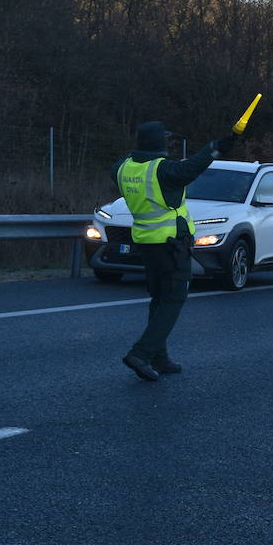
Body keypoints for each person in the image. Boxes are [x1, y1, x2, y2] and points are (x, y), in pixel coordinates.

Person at [115, 120, 237, 381]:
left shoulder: (123, 168)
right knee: (173, 298)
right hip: (171, 243)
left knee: (159, 298)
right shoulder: (163, 171)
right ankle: (142, 353)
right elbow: (191, 168)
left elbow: (130, 164)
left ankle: (159, 356)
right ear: (158, 143)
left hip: (146, 242)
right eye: (165, 140)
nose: (169, 144)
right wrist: (216, 148)